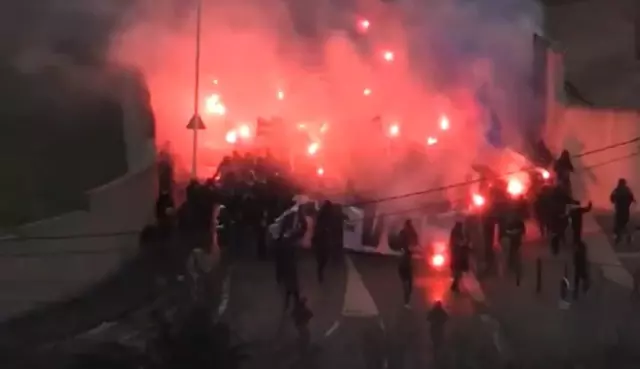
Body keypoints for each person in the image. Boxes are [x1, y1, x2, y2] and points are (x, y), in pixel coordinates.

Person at [610, 178, 636, 245]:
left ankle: (618, 238)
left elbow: (612, 198)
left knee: (618, 225)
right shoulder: (627, 190)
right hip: (625, 210)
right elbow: (631, 197)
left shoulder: (617, 190)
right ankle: (628, 237)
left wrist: (614, 201)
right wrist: (631, 202)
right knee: (624, 224)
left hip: (619, 210)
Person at [312, 200, 333, 283]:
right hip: (321, 239)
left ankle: (320, 271)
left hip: (322, 240)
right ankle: (320, 272)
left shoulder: (325, 215)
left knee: (323, 258)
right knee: (323, 258)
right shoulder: (322, 215)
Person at [449, 221, 470, 292]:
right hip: (458, 255)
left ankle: (455, 285)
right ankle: (455, 286)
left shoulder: (456, 232)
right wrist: (463, 243)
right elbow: (457, 242)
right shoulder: (456, 232)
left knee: (458, 272)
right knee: (458, 272)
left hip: (458, 255)